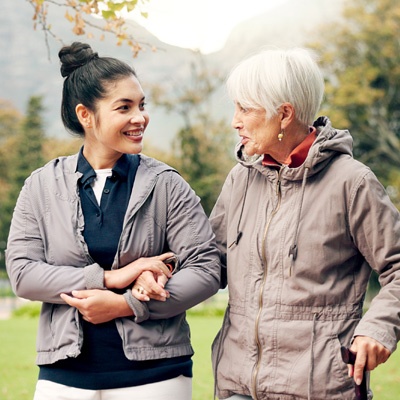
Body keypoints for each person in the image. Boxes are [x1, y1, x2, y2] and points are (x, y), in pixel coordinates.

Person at [6, 41, 220, 400]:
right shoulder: (40, 186)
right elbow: (23, 273)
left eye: (141, 105)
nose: (140, 118)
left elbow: (206, 269)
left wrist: (127, 305)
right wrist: (108, 278)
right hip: (64, 377)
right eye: (124, 107)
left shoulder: (167, 184)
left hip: (157, 376)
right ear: (85, 115)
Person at [209, 47, 400, 400]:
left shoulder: (352, 183)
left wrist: (377, 328)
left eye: (245, 109)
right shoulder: (239, 180)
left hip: (319, 388)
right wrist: (161, 267)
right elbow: (209, 263)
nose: (235, 121)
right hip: (236, 388)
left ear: (284, 115)